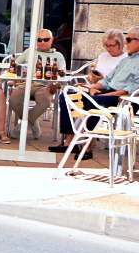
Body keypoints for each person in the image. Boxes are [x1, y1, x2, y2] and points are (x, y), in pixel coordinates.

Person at [49, 26, 139, 157]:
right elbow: (107, 80)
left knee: (93, 103)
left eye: (129, 39)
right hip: (107, 93)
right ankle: (69, 141)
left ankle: (87, 147)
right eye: (126, 39)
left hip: (122, 100)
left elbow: (130, 90)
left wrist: (104, 94)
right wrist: (92, 87)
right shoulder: (126, 60)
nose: (126, 42)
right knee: (66, 96)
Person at [0, 28, 65, 141]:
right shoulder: (30, 52)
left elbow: (62, 74)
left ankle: (21, 127)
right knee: (13, 99)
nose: (42, 42)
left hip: (45, 86)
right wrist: (18, 74)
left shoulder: (58, 56)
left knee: (45, 100)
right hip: (26, 83)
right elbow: (15, 66)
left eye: (46, 39)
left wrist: (55, 84)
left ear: (52, 40)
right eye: (39, 40)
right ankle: (33, 122)